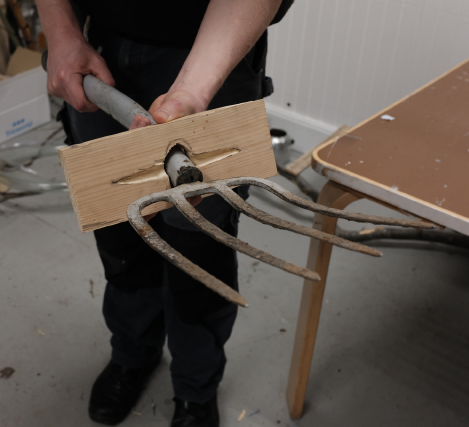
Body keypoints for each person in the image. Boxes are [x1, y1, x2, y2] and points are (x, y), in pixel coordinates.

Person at [36, 0, 291, 425]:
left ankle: (196, 388)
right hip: (99, 46)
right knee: (120, 233)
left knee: (199, 249)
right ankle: (133, 353)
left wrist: (190, 93)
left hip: (211, 46)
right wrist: (61, 32)